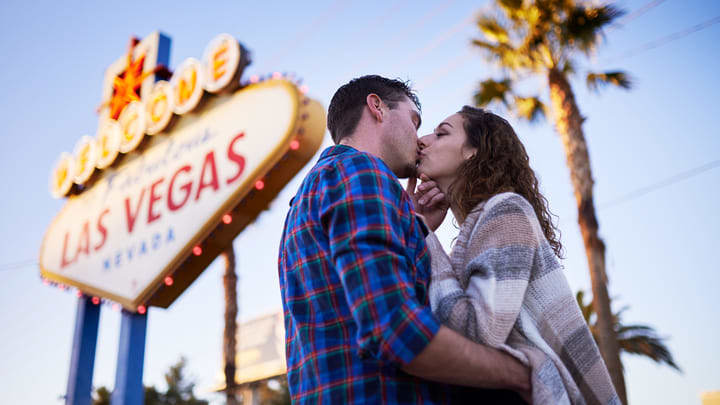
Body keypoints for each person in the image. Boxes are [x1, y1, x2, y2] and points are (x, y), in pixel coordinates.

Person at [278, 76, 531, 404]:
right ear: (377, 107)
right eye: (415, 121)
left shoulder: (305, 199)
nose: (420, 138)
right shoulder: (361, 171)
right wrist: (521, 374)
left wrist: (415, 227)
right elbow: (394, 328)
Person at [412, 106, 620, 404]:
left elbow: (478, 330)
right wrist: (426, 229)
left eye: (441, 133)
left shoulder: (506, 210)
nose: (423, 140)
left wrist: (423, 234)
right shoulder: (482, 224)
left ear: (473, 151)